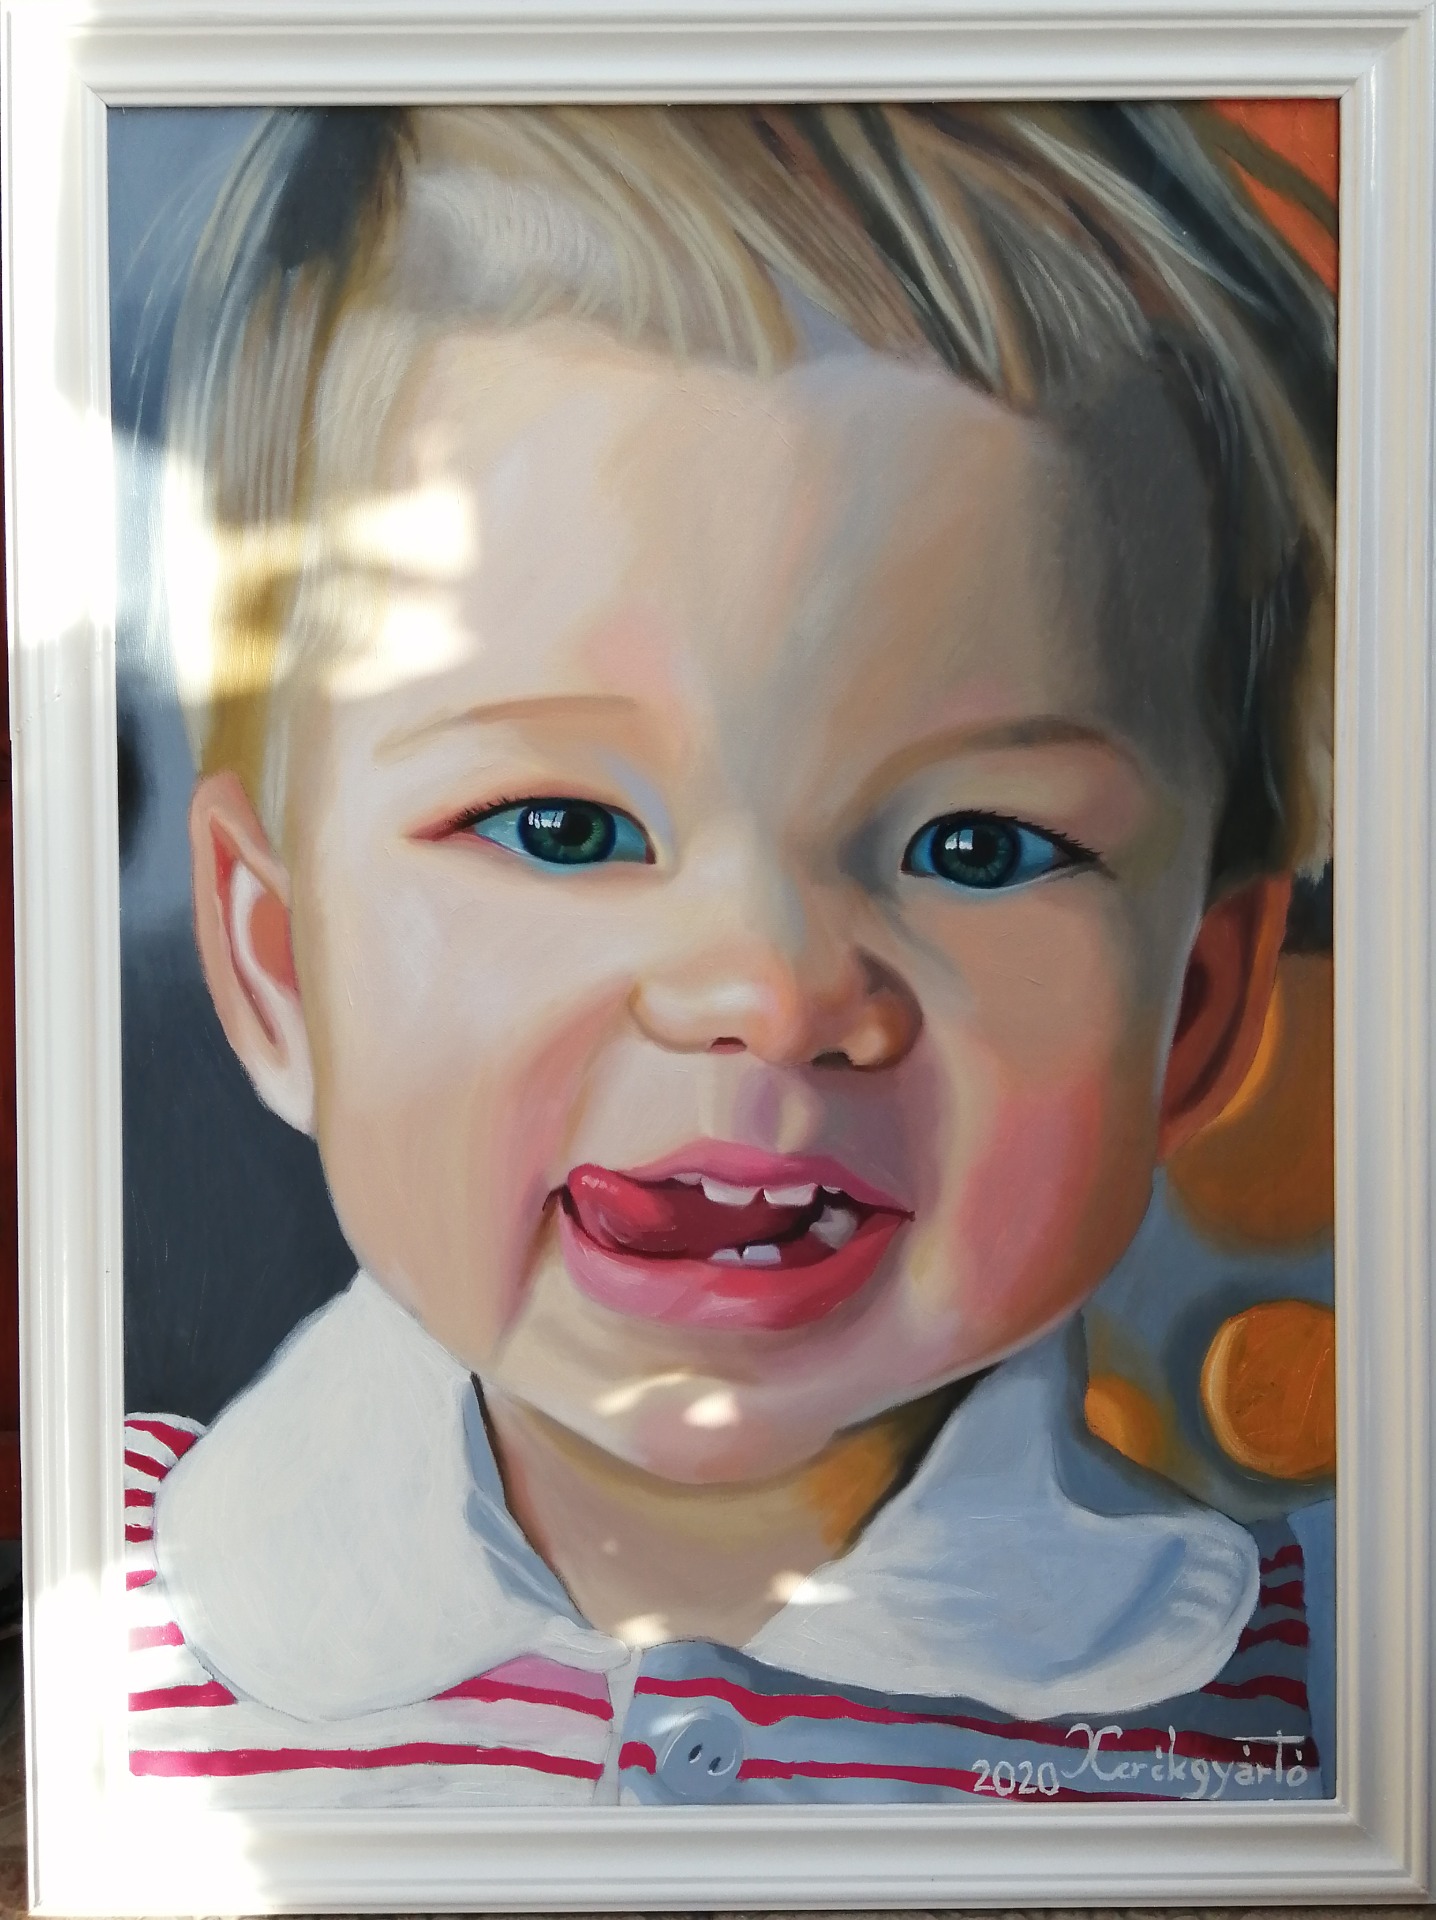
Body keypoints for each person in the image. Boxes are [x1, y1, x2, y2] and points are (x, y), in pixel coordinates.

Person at [125, 102, 1335, 1806]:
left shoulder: (1318, 1699)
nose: (770, 993)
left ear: (1195, 1013)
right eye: (562, 826)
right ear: (279, 967)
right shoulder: (93, 1642)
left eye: (975, 848)